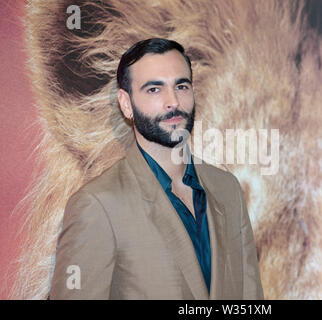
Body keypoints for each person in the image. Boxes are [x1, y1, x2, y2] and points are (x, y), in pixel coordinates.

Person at [49, 38, 264, 299]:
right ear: (126, 104)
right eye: (154, 89)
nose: (173, 101)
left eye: (181, 86)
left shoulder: (227, 188)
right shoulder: (97, 205)